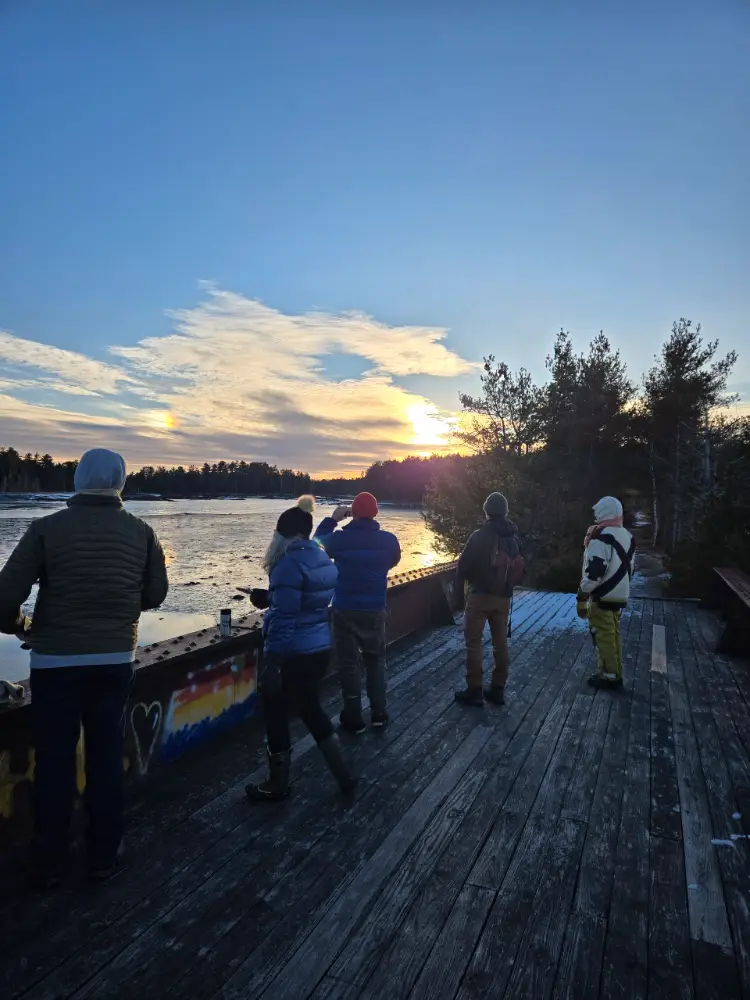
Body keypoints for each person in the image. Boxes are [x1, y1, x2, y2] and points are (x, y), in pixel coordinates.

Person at [0, 448, 168, 888]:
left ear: (76, 481)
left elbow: (2, 602)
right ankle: (102, 855)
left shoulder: (44, 530)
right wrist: (118, 609)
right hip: (113, 660)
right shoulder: (142, 533)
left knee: (54, 762)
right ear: (121, 484)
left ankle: (48, 860)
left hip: (55, 662)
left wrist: (25, 625)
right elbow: (155, 595)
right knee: (106, 758)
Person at [246, 497, 356, 802]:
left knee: (275, 714)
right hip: (319, 647)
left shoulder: (286, 565)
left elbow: (284, 619)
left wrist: (273, 664)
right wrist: (270, 598)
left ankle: (278, 782)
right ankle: (343, 774)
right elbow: (307, 601)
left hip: (291, 653)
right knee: (310, 708)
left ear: (282, 534)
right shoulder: (321, 557)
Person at [314, 492, 401, 734]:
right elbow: (393, 561)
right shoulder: (389, 540)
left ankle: (353, 718)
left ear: (352, 512)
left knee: (349, 665)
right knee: (375, 662)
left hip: (344, 609)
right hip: (374, 609)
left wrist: (333, 519)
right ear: (375, 513)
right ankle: (379, 714)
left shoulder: (339, 539)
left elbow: (315, 546)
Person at [454, 492, 524, 708]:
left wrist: (463, 587)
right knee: (500, 644)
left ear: (487, 511)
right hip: (503, 598)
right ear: (505, 511)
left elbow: (463, 567)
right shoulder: (514, 537)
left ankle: (474, 690)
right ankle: (498, 689)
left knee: (474, 643)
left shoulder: (479, 535)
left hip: (480, 596)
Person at [576, 496, 635, 690]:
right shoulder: (626, 535)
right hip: (619, 595)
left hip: (602, 596)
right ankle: (614, 672)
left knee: (603, 636)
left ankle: (609, 677)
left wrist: (582, 595)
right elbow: (630, 569)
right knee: (613, 635)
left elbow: (594, 573)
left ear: (603, 512)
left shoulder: (600, 537)